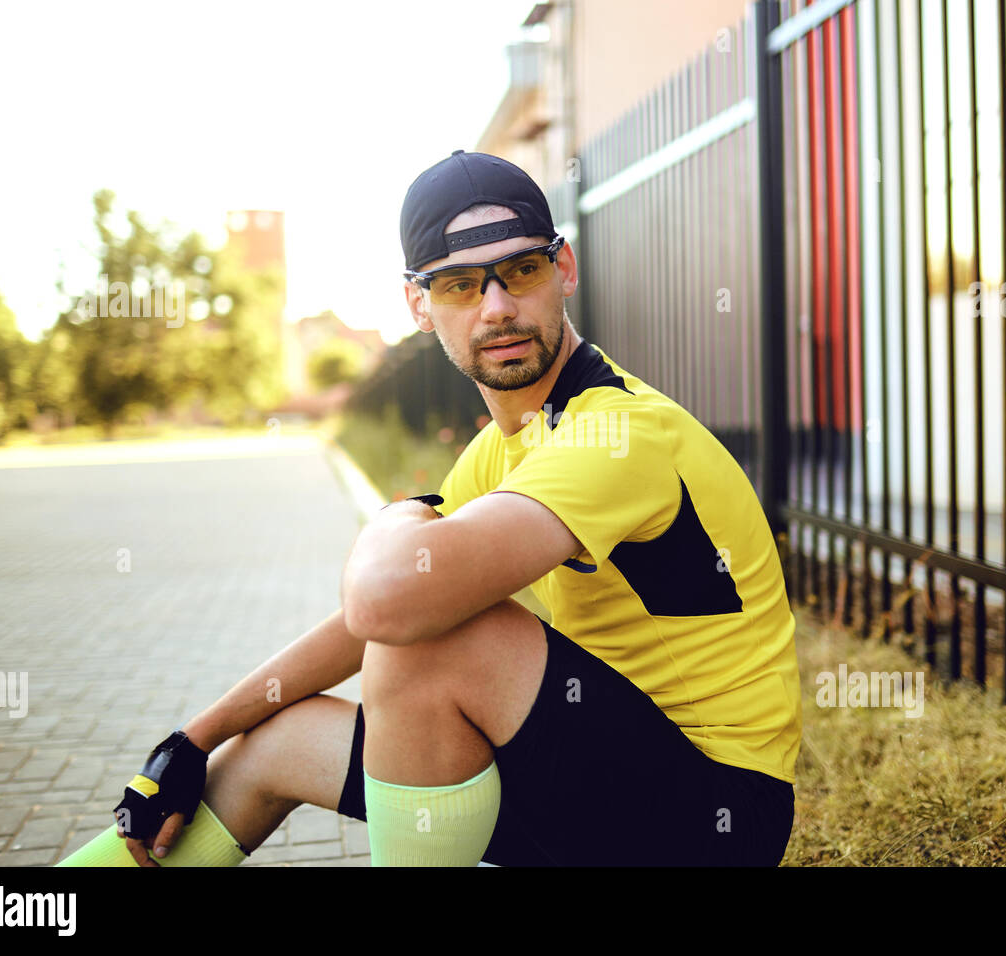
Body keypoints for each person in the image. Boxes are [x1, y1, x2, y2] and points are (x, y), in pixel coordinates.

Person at [56, 150, 801, 867]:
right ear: (419, 303)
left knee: (432, 642)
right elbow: (365, 619)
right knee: (272, 745)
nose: (499, 307)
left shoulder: (617, 432)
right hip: (605, 786)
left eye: (522, 270)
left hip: (713, 821)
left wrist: (394, 515)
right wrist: (195, 738)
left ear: (563, 269)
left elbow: (392, 603)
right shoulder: (504, 448)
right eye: (460, 286)